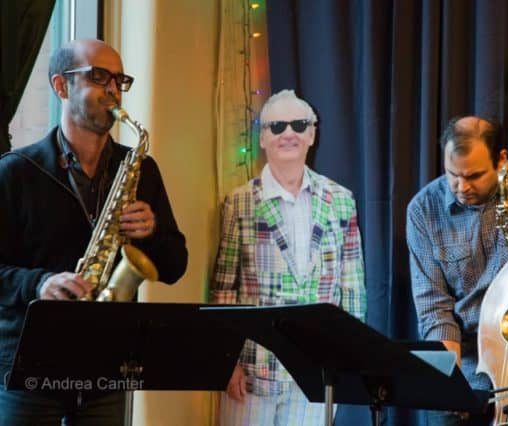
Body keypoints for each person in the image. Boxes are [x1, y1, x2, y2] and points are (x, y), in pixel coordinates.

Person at [0, 38, 188, 425]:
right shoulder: (15, 172)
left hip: (107, 368)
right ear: (61, 86)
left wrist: (151, 233)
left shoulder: (140, 168)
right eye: (99, 76)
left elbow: (174, 266)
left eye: (119, 80)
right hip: (28, 372)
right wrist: (39, 283)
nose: (113, 89)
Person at [209, 89, 366, 426]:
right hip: (252, 374)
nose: (288, 133)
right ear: (263, 138)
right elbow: (223, 291)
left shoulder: (341, 200)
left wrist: (347, 357)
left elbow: (352, 288)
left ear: (312, 134)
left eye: (299, 125)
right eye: (277, 126)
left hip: (317, 371)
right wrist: (226, 361)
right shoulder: (239, 202)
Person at [406, 116, 508, 425]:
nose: (462, 187)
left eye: (474, 176)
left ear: (502, 160)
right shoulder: (423, 210)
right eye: (453, 175)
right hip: (466, 364)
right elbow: (435, 309)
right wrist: (452, 383)